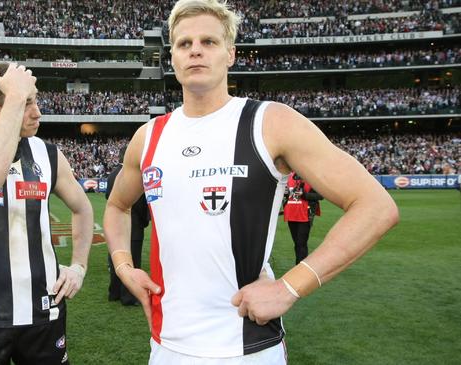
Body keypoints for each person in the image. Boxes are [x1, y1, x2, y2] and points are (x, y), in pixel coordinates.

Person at [102, 0, 399, 363]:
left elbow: (375, 206)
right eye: (184, 43)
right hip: (166, 346)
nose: (195, 49)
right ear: (173, 57)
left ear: (230, 53)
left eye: (209, 42)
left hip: (247, 347)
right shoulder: (147, 138)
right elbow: (117, 206)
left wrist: (290, 286)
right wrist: (124, 267)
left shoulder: (270, 123)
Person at [0, 62, 93, 365]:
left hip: (44, 312)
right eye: (26, 102)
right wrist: (13, 98)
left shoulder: (47, 154)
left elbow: (82, 208)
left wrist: (78, 266)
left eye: (35, 100)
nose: (37, 112)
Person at [105, 146, 149, 306]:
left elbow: (108, 198)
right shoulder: (133, 175)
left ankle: (114, 292)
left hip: (115, 224)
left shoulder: (111, 175)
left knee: (116, 258)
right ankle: (128, 296)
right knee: (132, 261)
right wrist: (144, 220)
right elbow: (141, 202)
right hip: (133, 223)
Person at [283, 172, 323, 264]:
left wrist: (304, 194)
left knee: (301, 243)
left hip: (305, 214)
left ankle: (300, 267)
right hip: (291, 213)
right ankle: (299, 265)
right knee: (297, 243)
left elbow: (320, 196)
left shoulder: (311, 178)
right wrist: (285, 193)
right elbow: (286, 195)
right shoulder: (289, 177)